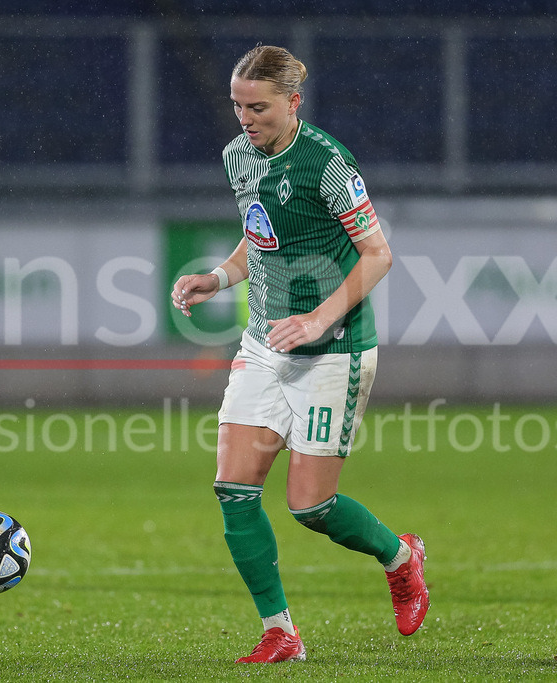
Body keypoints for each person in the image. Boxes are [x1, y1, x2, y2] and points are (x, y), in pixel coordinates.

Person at [171, 45, 428, 664]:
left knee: (311, 506)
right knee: (233, 488)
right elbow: (259, 235)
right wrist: (218, 278)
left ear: (293, 103)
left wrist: (318, 317)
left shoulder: (327, 162)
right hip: (263, 344)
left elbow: (378, 255)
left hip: (335, 350)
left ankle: (401, 558)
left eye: (257, 107)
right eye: (237, 106)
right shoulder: (237, 156)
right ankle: (280, 632)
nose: (245, 119)